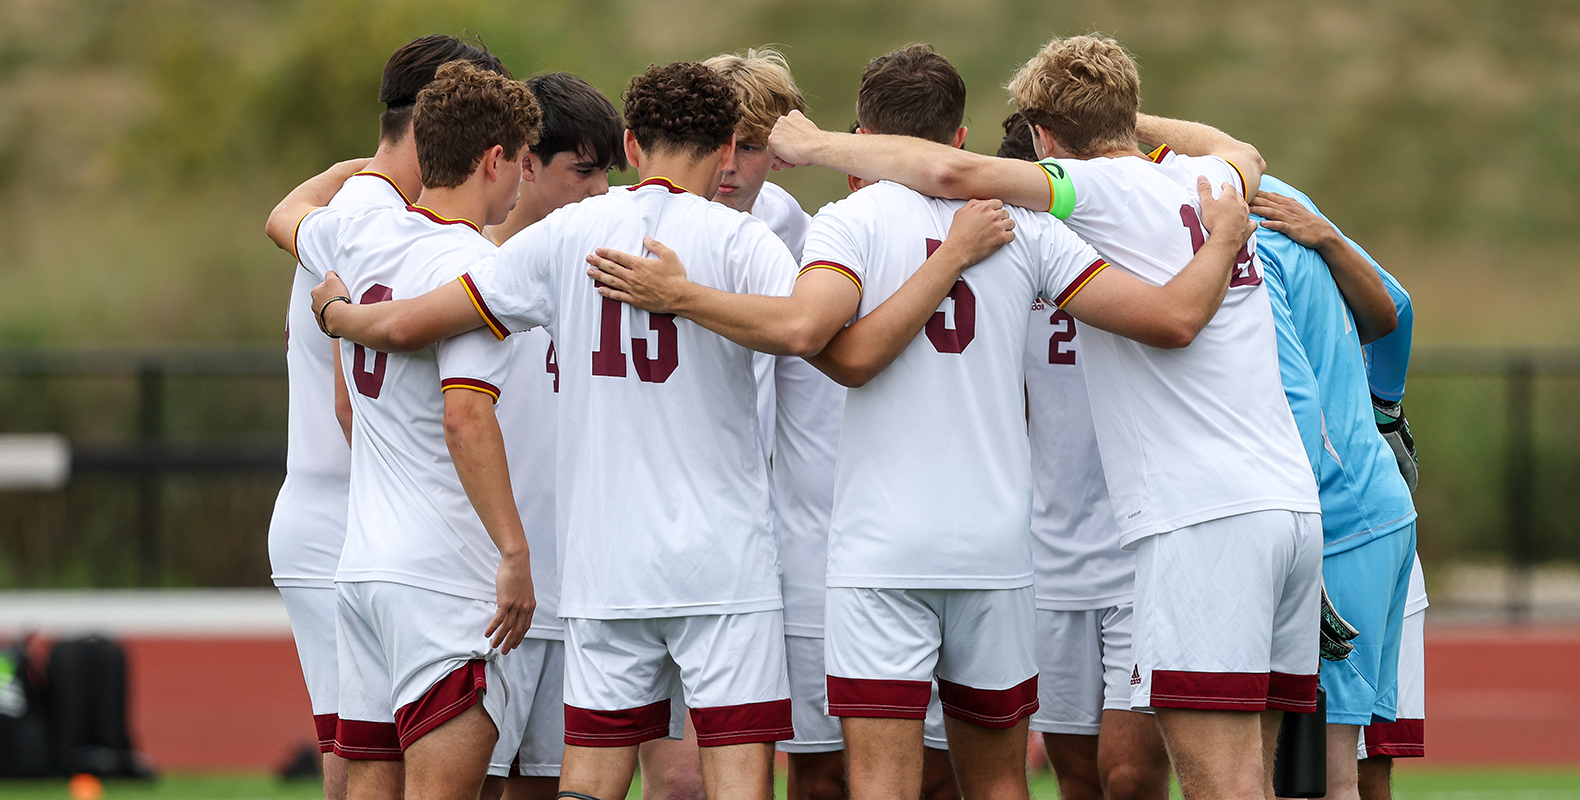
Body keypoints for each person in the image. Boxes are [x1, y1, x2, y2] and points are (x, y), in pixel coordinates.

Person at [585, 43, 1255, 800]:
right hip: (998, 548)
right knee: (999, 783)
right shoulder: (1025, 228)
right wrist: (1223, 238)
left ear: (864, 139)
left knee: (879, 784)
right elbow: (1163, 316)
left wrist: (682, 295)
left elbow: (836, 351)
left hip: (880, 551)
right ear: (961, 139)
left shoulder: (846, 222)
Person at [766, 35, 1322, 800]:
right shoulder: (1208, 174)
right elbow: (1240, 147)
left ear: (1043, 141)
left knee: (1223, 785)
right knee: (1248, 776)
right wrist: (1202, 215)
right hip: (1287, 504)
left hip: (1195, 517)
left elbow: (950, 181)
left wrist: (812, 142)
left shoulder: (1070, 196)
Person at [309, 61, 885, 800]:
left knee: (588, 782)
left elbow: (407, 323)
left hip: (602, 568)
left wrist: (340, 317)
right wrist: (688, 298)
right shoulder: (743, 242)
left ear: (634, 144)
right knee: (737, 779)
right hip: (724, 566)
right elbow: (810, 329)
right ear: (728, 144)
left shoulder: (567, 234)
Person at [268, 60, 543, 800]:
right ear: (493, 161)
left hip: (362, 571)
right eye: (521, 163)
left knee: (367, 788)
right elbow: (465, 415)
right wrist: (515, 551)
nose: (524, 183)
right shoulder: (478, 266)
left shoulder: (359, 237)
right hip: (443, 577)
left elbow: (285, 215)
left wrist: (343, 167)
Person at [700, 46, 964, 800]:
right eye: (715, 141)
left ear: (781, 153)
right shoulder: (661, 232)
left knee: (934, 774)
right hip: (766, 539)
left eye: (749, 145)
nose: (728, 164)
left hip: (867, 524)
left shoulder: (812, 227)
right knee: (808, 775)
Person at [994, 120, 1171, 800]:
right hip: (1050, 558)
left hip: (1137, 550)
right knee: (1075, 780)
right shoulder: (1007, 265)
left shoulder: (1138, 248)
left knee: (1129, 778)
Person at [476, 71, 626, 800]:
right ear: (524, 161)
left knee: (551, 787)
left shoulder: (611, 273)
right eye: (584, 169)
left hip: (584, 589)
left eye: (607, 171)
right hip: (489, 590)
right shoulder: (473, 270)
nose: (601, 190)